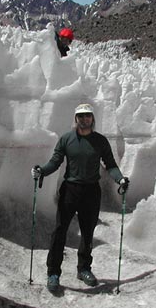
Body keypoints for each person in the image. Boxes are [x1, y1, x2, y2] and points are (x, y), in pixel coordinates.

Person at [31, 103, 129, 292]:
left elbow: (110, 165)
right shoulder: (66, 139)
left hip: (91, 192)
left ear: (92, 118)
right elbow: (55, 162)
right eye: (81, 116)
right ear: (75, 119)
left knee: (87, 232)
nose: (84, 119)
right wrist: (41, 171)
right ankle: (53, 272)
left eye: (88, 116)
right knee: (60, 231)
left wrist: (120, 179)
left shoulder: (100, 141)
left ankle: (84, 269)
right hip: (70, 190)